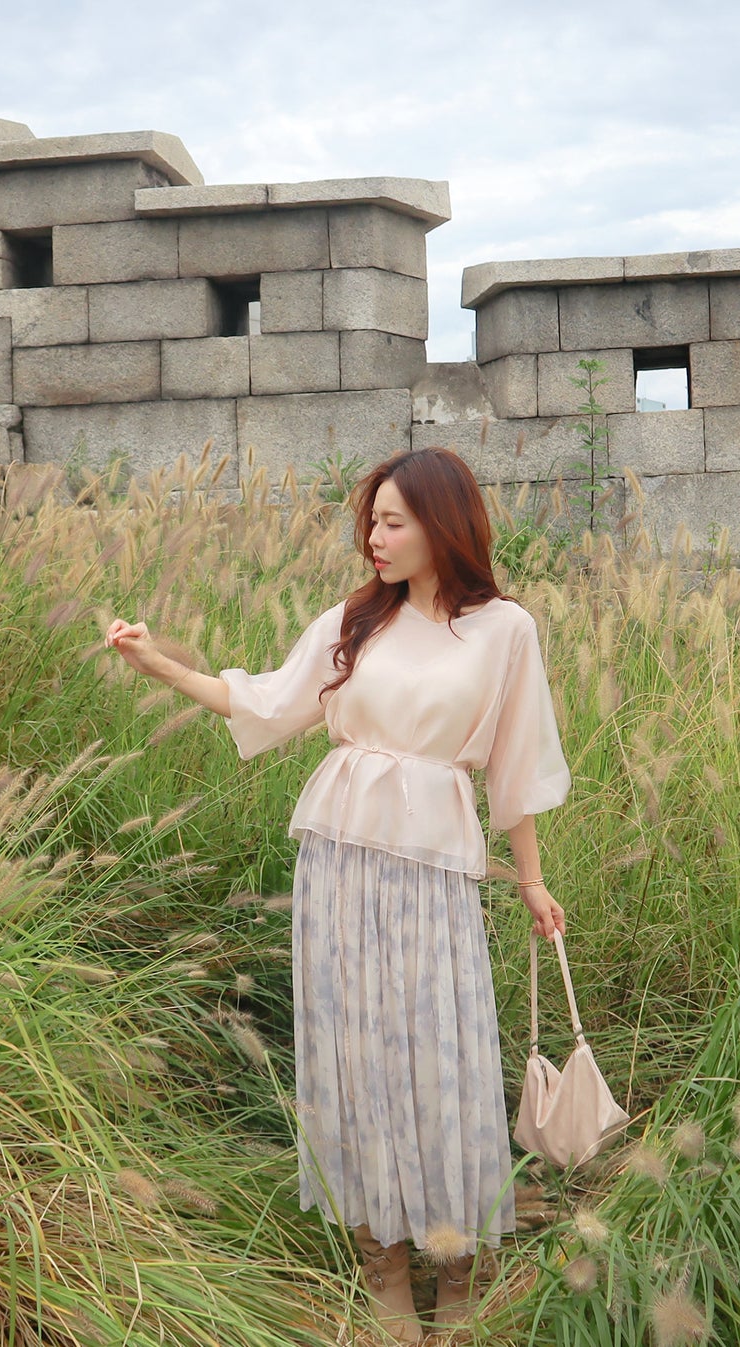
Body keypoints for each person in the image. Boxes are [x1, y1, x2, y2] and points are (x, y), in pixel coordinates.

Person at [104, 446, 573, 1342]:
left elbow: (516, 764)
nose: (374, 538)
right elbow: (266, 702)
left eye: (393, 521)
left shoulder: (504, 629)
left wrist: (532, 879)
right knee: (355, 1060)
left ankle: (458, 1271)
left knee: (445, 1061)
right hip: (340, 867)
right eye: (371, 521)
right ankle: (383, 1270)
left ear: (442, 525)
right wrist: (160, 664)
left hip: (434, 872)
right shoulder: (353, 621)